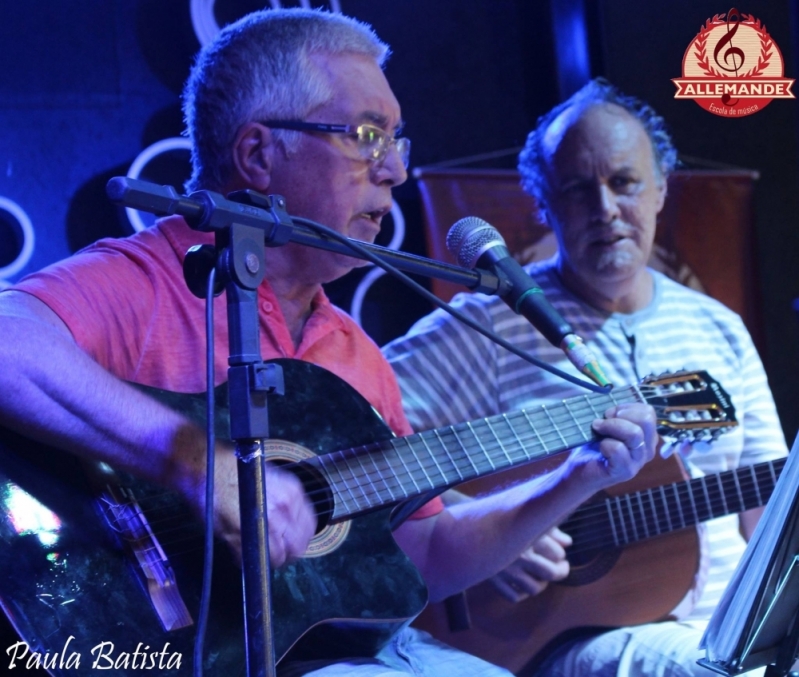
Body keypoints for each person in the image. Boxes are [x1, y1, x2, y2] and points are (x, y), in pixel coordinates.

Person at [0, 12, 656, 677]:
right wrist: (200, 464)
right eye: (367, 135)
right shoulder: (147, 278)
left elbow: (425, 554)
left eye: (397, 138)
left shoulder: (353, 352)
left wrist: (577, 476)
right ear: (258, 155)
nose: (395, 168)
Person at [382, 78, 788, 676]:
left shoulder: (718, 327)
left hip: (724, 622)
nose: (605, 210)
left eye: (623, 182)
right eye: (576, 189)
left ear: (660, 190)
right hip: (570, 637)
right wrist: (483, 528)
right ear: (544, 206)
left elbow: (769, 509)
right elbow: (356, 435)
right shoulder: (487, 329)